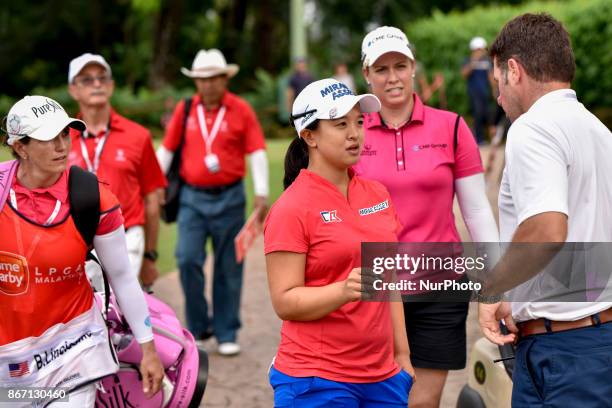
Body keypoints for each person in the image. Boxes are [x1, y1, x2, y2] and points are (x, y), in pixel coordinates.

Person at [356, 26, 499, 408]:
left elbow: (476, 210)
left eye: (399, 65)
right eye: (381, 69)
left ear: (413, 67)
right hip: (376, 288)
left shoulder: (450, 126)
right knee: (382, 398)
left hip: (442, 283)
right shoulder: (352, 130)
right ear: (366, 75)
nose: (392, 77)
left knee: (422, 401)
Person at [478, 13, 612, 407]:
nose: (499, 97)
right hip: (591, 340)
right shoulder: (598, 132)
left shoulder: (532, 127)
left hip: (563, 354)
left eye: (498, 82)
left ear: (514, 70)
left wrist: (494, 288)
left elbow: (547, 230)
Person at [0, 96, 164, 406]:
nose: (62, 145)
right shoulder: (0, 188)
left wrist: (149, 349)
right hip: (11, 359)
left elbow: (122, 277)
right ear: (21, 147)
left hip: (74, 349)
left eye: (65, 134)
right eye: (49, 138)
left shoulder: (91, 196)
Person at [265, 78, 415, 406]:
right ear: (309, 136)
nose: (354, 133)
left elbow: (388, 282)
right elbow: (285, 301)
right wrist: (343, 290)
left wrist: (402, 358)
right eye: (340, 124)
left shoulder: (377, 194)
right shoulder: (291, 208)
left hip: (384, 378)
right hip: (316, 377)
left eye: (359, 122)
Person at [156, 49, 269, 356]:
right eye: (201, 80)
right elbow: (167, 149)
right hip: (192, 197)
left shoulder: (240, 109)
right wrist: (153, 183)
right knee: (186, 258)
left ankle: (226, 329)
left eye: (213, 79)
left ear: (224, 79)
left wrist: (261, 192)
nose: (207, 85)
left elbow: (257, 150)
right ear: (195, 82)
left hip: (231, 197)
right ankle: (198, 325)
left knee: (229, 265)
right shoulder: (186, 109)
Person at [67, 53, 167, 288]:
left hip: (126, 236)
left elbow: (152, 201)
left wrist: (150, 256)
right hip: (76, 240)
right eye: (87, 80)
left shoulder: (138, 136)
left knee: (119, 311)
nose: (97, 84)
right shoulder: (63, 139)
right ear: (73, 90)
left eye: (102, 78)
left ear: (111, 86)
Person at [461, 36, 495, 145]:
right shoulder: (468, 60)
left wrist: (494, 89)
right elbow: (464, 74)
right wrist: (473, 61)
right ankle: (479, 139)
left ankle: (489, 139)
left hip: (486, 93)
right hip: (474, 93)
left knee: (488, 114)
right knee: (478, 113)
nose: (480, 52)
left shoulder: (487, 62)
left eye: (481, 50)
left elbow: (491, 77)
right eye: (478, 50)